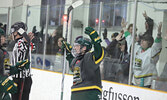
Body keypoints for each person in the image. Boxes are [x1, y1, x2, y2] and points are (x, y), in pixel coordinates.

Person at [61, 27, 105, 100]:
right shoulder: (77, 60)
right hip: (76, 93)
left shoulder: (89, 57)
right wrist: (68, 54)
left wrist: (96, 40)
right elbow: (72, 65)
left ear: (84, 47)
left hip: (89, 93)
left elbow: (99, 53)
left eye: (77, 46)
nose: (75, 48)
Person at [0, 28, 30, 100]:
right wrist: (1, 81)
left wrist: (17, 68)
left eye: (3, 37)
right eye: (2, 37)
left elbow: (6, 70)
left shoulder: (5, 53)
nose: (4, 38)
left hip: (3, 91)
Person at [132, 22, 162, 88]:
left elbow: (157, 46)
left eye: (144, 40)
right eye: (142, 39)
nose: (142, 41)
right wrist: (125, 29)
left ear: (149, 43)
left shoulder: (151, 52)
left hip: (147, 83)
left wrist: (159, 34)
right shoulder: (137, 49)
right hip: (134, 82)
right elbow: (129, 41)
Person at [10, 22, 33, 100]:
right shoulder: (21, 42)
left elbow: (22, 50)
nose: (12, 33)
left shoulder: (20, 42)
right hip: (23, 78)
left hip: (21, 79)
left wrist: (26, 40)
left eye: (14, 31)